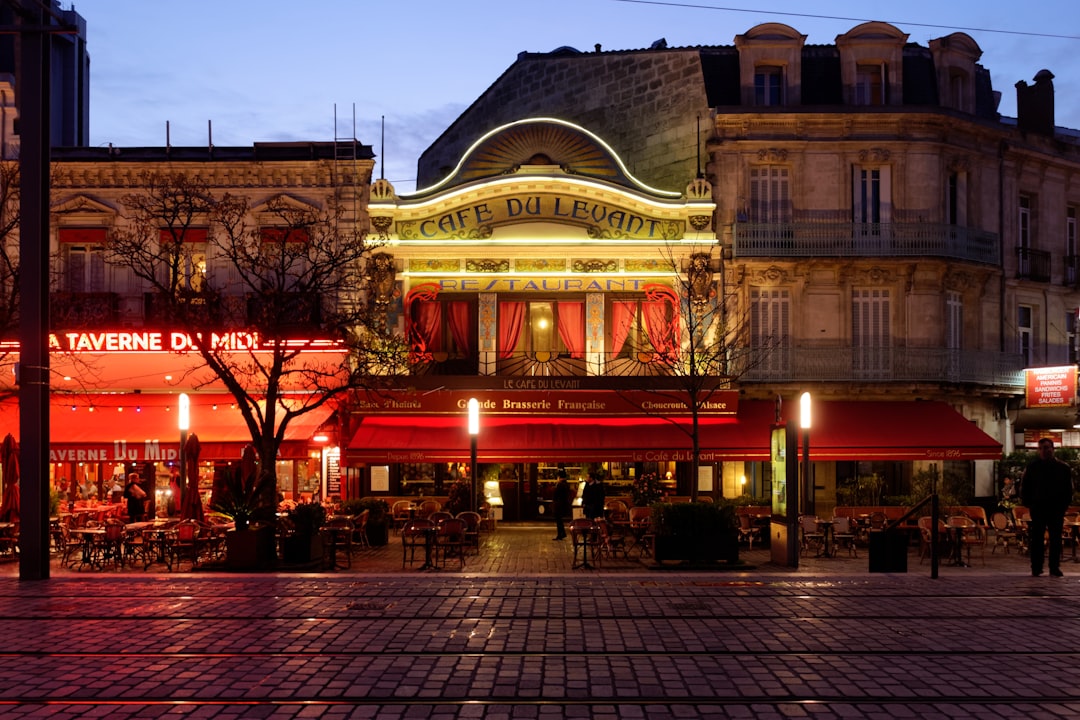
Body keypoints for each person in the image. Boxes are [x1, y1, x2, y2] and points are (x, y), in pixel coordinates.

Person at [1021, 438, 1074, 577]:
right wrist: (1029, 503)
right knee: (1037, 539)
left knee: (1055, 539)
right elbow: (1025, 487)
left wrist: (1063, 505)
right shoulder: (1033, 467)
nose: (1044, 451)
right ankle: (1036, 567)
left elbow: (1068, 489)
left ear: (1052, 449)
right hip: (1038, 508)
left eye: (1047, 448)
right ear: (1039, 450)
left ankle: (1054, 567)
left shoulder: (1063, 468)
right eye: (1042, 448)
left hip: (1056, 508)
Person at [552, 469, 572, 540]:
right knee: (559, 520)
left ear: (559, 477)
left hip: (559, 505)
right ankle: (561, 533)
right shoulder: (566, 484)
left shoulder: (560, 484)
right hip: (562, 504)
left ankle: (561, 534)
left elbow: (556, 494)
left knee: (559, 520)